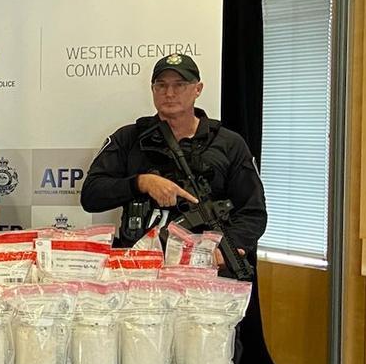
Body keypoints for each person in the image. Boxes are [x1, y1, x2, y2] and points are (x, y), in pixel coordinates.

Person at [80, 53, 267, 276]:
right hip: (138, 269)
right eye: (161, 85)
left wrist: (227, 250)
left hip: (202, 271)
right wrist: (141, 183)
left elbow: (252, 212)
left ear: (198, 89)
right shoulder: (129, 138)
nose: (169, 93)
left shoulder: (229, 144)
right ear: (152, 90)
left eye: (179, 85)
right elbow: (91, 195)